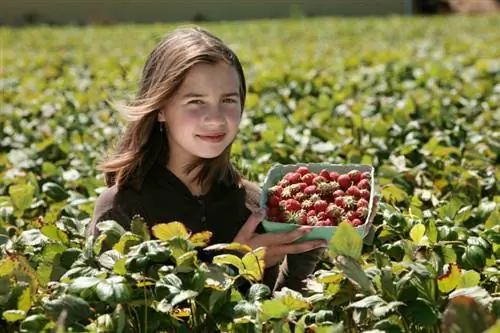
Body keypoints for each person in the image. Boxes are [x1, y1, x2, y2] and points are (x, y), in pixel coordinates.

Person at [86, 26, 376, 294]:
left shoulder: (255, 205)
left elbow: (273, 317)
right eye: (195, 101)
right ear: (160, 108)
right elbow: (129, 316)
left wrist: (309, 248)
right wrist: (233, 265)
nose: (215, 118)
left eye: (228, 100)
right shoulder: (121, 209)